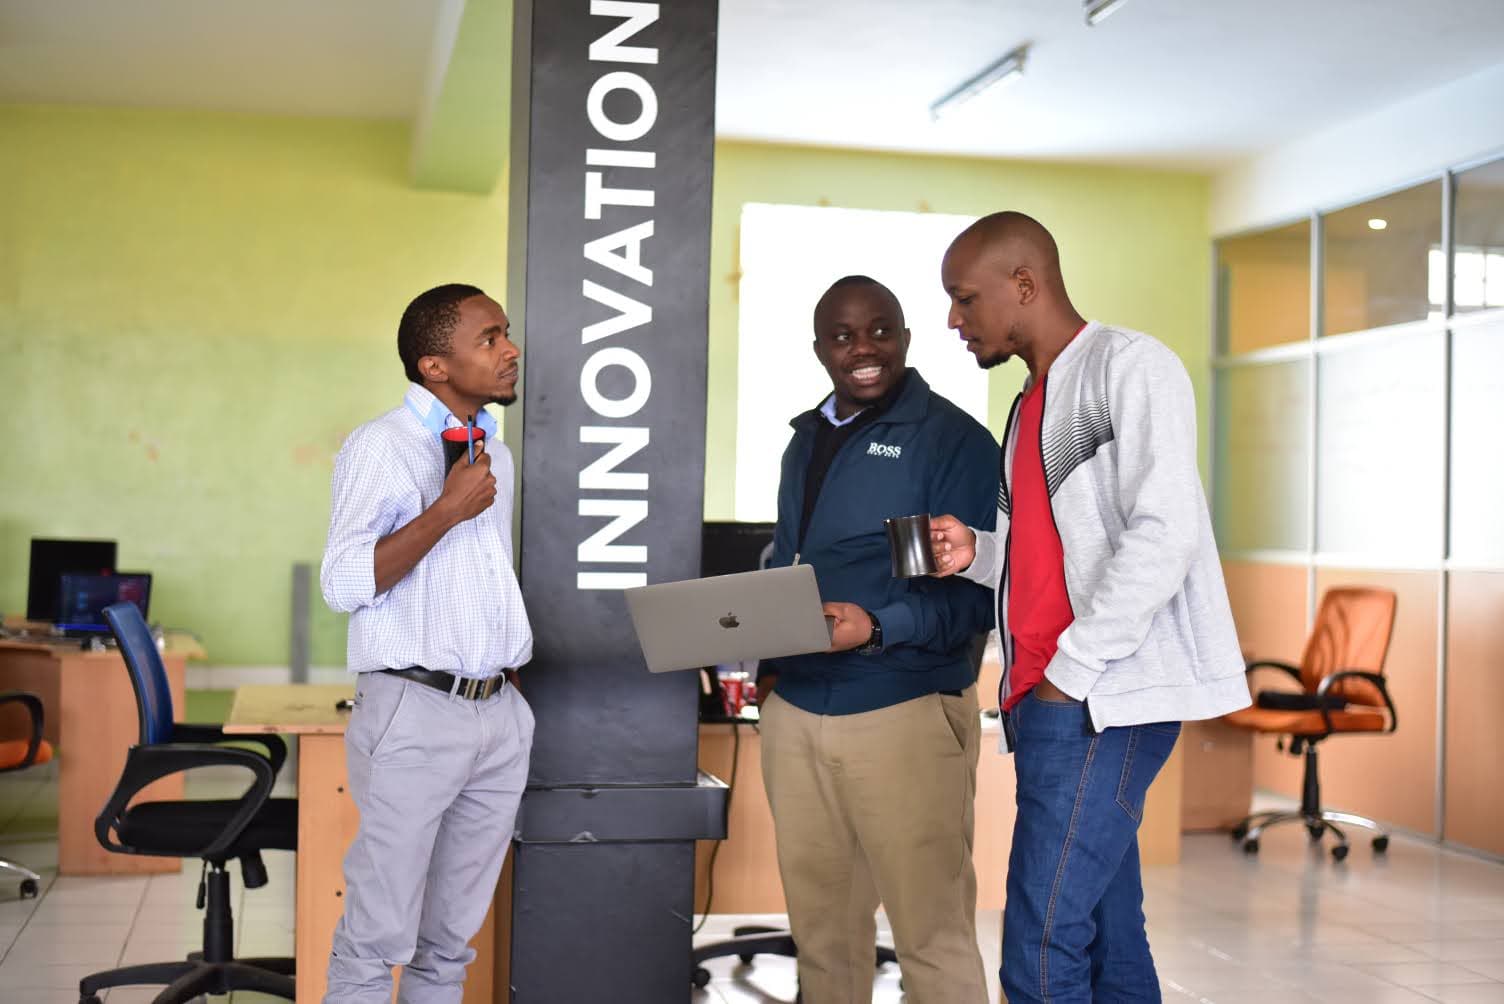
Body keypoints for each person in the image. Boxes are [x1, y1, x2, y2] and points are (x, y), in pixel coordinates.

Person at [929, 212, 1250, 1003]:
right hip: (1049, 699)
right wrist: (981, 553)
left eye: (966, 299)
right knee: (1109, 938)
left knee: (1040, 946)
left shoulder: (1129, 367)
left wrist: (1068, 677)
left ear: (1025, 285)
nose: (953, 320)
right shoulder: (1032, 400)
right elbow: (1059, 559)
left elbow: (1165, 532)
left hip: (1096, 699)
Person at [755, 275, 999, 1004]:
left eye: (880, 331)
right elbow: (791, 562)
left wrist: (879, 625)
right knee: (823, 939)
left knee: (932, 935)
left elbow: (971, 601)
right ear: (820, 349)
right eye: (843, 336)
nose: (863, 349)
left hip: (902, 709)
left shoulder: (950, 442)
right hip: (797, 712)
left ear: (905, 338)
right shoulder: (805, 440)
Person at [319, 283, 535, 1003]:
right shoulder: (380, 446)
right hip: (414, 710)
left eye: (506, 334)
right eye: (489, 339)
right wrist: (445, 510)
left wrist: (504, 693)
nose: (510, 351)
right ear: (434, 366)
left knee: (450, 944)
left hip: (497, 715)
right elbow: (344, 581)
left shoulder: (492, 456)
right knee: (376, 939)